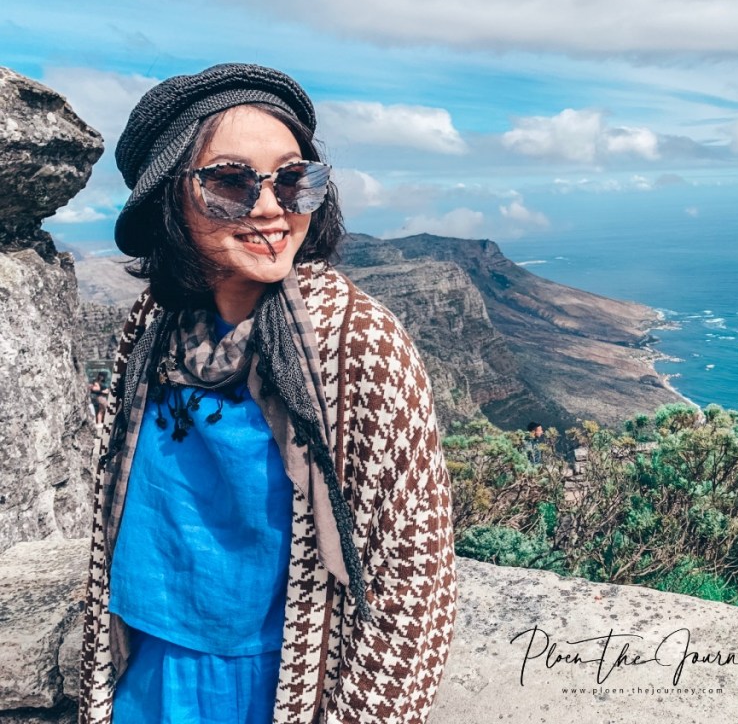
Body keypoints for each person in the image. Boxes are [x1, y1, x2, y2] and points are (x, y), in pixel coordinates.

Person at [78, 63, 456, 724]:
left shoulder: (355, 342)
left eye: (292, 179)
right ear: (168, 198)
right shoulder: (154, 322)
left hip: (280, 680)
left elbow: (412, 575)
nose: (270, 208)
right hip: (147, 661)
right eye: (230, 181)